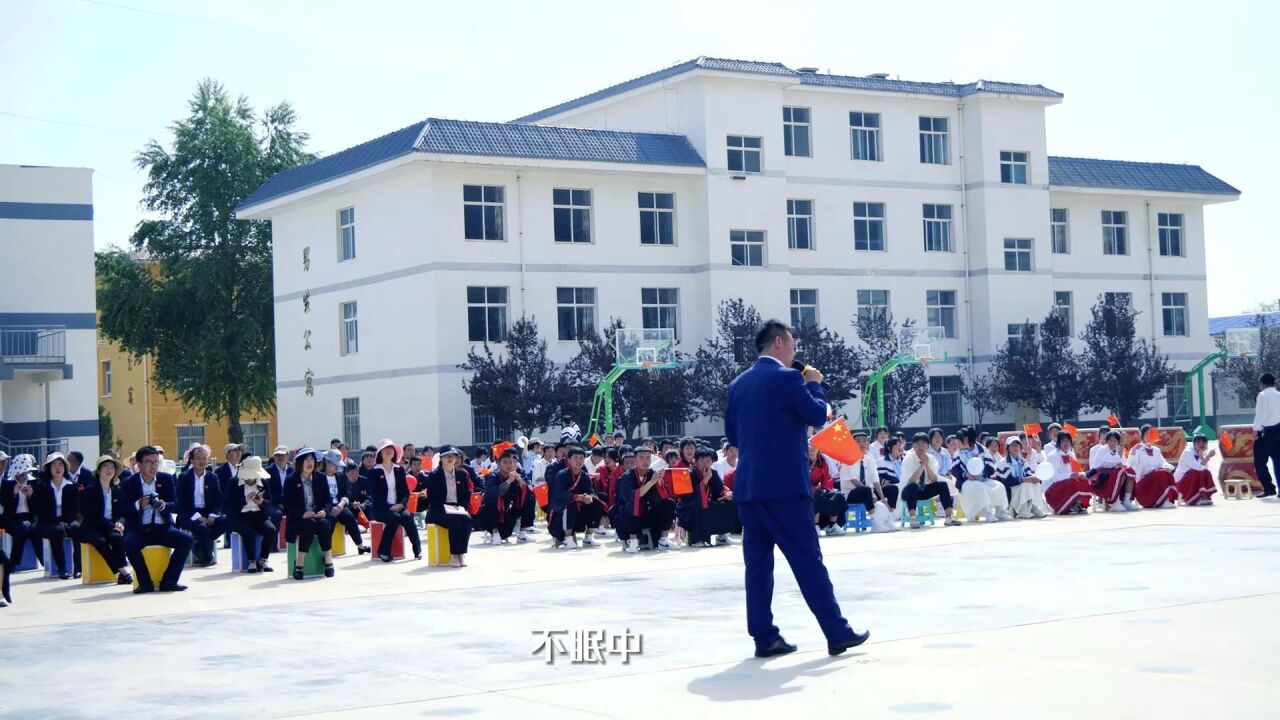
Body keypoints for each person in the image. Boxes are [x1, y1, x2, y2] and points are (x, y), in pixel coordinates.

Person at [725, 320, 867, 658]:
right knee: (807, 561)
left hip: (749, 489)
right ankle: (836, 631)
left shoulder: (738, 384)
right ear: (778, 343)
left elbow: (733, 435)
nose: (794, 352)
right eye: (792, 344)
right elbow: (818, 414)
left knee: (758, 568)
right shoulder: (788, 378)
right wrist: (815, 384)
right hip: (785, 489)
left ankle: (764, 637)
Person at [120, 446, 194, 593]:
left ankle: (169, 581)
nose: (153, 466)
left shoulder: (165, 479)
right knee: (129, 543)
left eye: (155, 462)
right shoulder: (129, 482)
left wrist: (162, 505)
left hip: (162, 527)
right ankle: (145, 582)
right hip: (140, 529)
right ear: (139, 465)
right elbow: (123, 509)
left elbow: (176, 504)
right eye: (148, 462)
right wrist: (138, 505)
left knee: (186, 540)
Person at [75, 454, 133, 584]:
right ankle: (122, 571)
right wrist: (113, 525)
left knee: (116, 537)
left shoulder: (117, 490)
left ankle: (122, 573)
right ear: (99, 470)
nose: (109, 470)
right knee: (101, 542)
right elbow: (91, 515)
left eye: (112, 467)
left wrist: (120, 523)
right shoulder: (90, 490)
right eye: (105, 467)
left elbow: (122, 512)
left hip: (110, 526)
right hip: (91, 527)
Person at [283, 448, 337, 579]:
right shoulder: (291, 480)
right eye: (306, 459)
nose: (310, 463)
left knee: (324, 524)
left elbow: (328, 500)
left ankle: (328, 562)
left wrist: (324, 510)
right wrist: (303, 513)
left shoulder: (321, 478)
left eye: (312, 459)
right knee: (309, 524)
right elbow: (287, 506)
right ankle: (299, 565)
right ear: (300, 462)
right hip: (298, 519)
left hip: (317, 516)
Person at [367, 438, 423, 561]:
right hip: (381, 508)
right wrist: (389, 507)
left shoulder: (399, 469)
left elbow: (405, 492)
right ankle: (383, 551)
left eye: (391, 448)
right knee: (395, 518)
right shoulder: (374, 472)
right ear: (380, 452)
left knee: (408, 517)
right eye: (385, 448)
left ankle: (417, 550)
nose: (389, 451)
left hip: (398, 506)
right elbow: (375, 495)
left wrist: (401, 505)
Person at [614, 445, 676, 553]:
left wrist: (659, 481)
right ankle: (632, 541)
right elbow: (632, 496)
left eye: (648, 457)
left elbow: (662, 496)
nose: (645, 461)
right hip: (629, 518)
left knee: (668, 503)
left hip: (647, 514)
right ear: (635, 460)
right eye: (641, 458)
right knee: (631, 503)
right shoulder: (627, 476)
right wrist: (652, 482)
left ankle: (663, 539)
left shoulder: (652, 473)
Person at [176, 444, 225, 566]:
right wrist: (199, 517)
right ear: (192, 460)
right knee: (201, 528)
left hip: (208, 512)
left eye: (204, 458)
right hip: (190, 513)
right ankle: (208, 557)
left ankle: (198, 545)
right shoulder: (184, 477)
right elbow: (182, 502)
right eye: (198, 458)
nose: (202, 461)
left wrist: (213, 515)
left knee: (226, 521)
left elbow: (218, 499)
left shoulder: (212, 477)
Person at [224, 455, 275, 573]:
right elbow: (227, 504)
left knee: (271, 530)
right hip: (240, 516)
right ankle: (251, 561)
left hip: (258, 514)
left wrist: (262, 502)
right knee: (248, 531)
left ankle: (263, 559)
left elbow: (269, 503)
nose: (251, 479)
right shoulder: (233, 482)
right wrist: (245, 500)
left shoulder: (264, 482)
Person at [425, 445, 474, 566]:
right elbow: (432, 499)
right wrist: (447, 509)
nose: (450, 459)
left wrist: (462, 508)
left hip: (457, 508)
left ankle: (461, 553)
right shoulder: (434, 476)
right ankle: (454, 555)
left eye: (453, 456)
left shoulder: (462, 474)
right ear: (441, 458)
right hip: (439, 510)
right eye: (447, 456)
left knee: (467, 520)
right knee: (455, 520)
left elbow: (466, 495)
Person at [900, 433, 962, 528]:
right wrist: (921, 466)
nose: (921, 447)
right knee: (912, 486)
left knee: (942, 485)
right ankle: (912, 518)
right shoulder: (908, 459)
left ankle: (949, 517)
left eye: (923, 444)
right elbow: (911, 481)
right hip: (907, 492)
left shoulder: (931, 458)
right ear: (913, 445)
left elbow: (933, 479)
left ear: (927, 446)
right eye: (918, 444)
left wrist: (927, 465)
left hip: (923, 490)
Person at [34, 452, 80, 578]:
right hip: (47, 522)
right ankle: (62, 568)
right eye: (54, 465)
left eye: (60, 464)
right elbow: (40, 511)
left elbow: (74, 510)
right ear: (49, 468)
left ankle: (78, 567)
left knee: (77, 529)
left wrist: (67, 521)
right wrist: (57, 522)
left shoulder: (71, 486)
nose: (58, 468)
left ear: (65, 467)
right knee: (57, 531)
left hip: (67, 520)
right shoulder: (43, 486)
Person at [679, 447, 737, 546]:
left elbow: (720, 488)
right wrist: (705, 481)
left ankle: (721, 536)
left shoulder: (712, 473)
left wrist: (727, 494)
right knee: (699, 506)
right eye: (702, 460)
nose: (706, 463)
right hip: (688, 509)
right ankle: (696, 539)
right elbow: (688, 499)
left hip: (706, 505)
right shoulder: (685, 474)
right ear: (695, 461)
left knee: (729, 503)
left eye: (709, 460)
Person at [547, 446, 603, 549]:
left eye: (581, 458)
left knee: (596, 503)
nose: (579, 461)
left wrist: (589, 497)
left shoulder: (584, 475)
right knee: (570, 506)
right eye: (575, 458)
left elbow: (590, 490)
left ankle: (589, 537)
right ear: (568, 460)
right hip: (560, 509)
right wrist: (577, 497)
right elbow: (560, 494)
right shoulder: (561, 474)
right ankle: (568, 539)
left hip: (580, 507)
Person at [320, 449, 369, 555]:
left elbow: (345, 495)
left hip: (339, 505)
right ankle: (326, 552)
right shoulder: (319, 477)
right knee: (330, 520)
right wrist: (329, 508)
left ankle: (360, 546)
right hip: (326, 507)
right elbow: (318, 497)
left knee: (350, 517)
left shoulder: (340, 477)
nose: (337, 467)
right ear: (327, 462)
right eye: (335, 464)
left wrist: (342, 504)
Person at [480, 447, 531, 545]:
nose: (509, 465)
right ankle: (495, 533)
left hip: (509, 512)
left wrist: (521, 482)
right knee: (490, 503)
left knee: (529, 498)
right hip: (493, 514)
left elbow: (529, 491)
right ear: (498, 464)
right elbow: (493, 495)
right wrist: (508, 481)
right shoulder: (492, 476)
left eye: (512, 462)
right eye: (505, 462)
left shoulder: (519, 474)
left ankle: (522, 533)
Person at [841, 430, 891, 528]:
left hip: (867, 491)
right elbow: (854, 481)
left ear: (868, 443)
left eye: (864, 441)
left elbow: (875, 480)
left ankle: (889, 519)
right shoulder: (848, 459)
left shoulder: (870, 459)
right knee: (866, 490)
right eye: (858, 441)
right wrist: (870, 493)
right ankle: (874, 522)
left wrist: (882, 498)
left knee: (892, 489)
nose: (862, 443)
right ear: (853, 444)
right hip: (850, 494)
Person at [1122, 425, 1178, 509]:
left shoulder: (1156, 450)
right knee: (1160, 473)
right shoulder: (1137, 449)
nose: (1149, 436)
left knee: (1166, 472)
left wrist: (1166, 467)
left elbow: (1162, 462)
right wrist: (1133, 452)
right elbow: (1131, 464)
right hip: (1143, 482)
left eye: (1152, 434)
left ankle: (1164, 500)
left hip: (1156, 477)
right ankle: (1159, 501)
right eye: (1147, 434)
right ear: (1142, 435)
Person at [1, 454, 39, 572]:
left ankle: (44, 561)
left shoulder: (34, 482)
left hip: (29, 516)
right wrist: (13, 494)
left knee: (35, 530)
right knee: (21, 531)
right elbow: (4, 503)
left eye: (25, 473)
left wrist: (31, 496)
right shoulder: (7, 483)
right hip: (12, 517)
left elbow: (39, 506)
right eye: (21, 473)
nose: (24, 476)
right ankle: (13, 563)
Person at [1043, 432, 1093, 515]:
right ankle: (1067, 506)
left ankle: (1078, 504)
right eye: (1063, 441)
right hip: (1052, 488)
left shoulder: (1071, 454)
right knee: (1072, 482)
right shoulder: (1052, 456)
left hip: (1068, 482)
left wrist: (1081, 474)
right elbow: (1054, 476)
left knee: (1083, 481)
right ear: (1058, 443)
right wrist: (1070, 476)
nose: (1066, 444)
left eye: (1068, 441)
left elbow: (1076, 470)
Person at [1089, 430, 1136, 511]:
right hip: (1098, 477)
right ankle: (1114, 501)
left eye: (1115, 441)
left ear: (1117, 442)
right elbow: (1116, 460)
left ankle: (1126, 501)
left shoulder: (1117, 449)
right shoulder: (1102, 449)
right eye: (1110, 441)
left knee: (1130, 471)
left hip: (1110, 474)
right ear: (1107, 441)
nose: (1112, 443)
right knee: (1119, 472)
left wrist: (1124, 465)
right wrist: (1122, 444)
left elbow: (1123, 462)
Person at [1001, 437, 1047, 518]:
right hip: (1011, 493)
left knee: (1035, 483)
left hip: (1021, 489)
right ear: (1008, 448)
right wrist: (1023, 479)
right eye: (1013, 446)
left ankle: (1035, 507)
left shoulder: (1022, 461)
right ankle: (1023, 510)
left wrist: (1034, 478)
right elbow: (1007, 481)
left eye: (1017, 446)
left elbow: (1028, 473)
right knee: (1026, 484)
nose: (1016, 448)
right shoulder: (1003, 462)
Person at [807, 445, 847, 536]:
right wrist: (817, 488)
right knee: (817, 494)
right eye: (810, 448)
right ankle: (815, 525)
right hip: (805, 489)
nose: (812, 450)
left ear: (818, 450)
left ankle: (832, 526)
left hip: (819, 489)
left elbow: (826, 479)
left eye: (814, 448)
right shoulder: (801, 461)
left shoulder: (822, 461)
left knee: (836, 495)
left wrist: (829, 489)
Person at [1252, 372, 1280, 498]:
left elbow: (1261, 414)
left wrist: (1255, 429)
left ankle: (1269, 488)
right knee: (1278, 461)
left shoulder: (1262, 395)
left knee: (1259, 462)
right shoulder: (1279, 395)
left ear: (1262, 384)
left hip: (1266, 431)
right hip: (1278, 430)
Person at [1174, 433, 1217, 506]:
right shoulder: (1187, 452)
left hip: (1192, 478)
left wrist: (1202, 456)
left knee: (1205, 472)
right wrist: (1208, 456)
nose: (1201, 445)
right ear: (1194, 443)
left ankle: (1204, 496)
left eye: (1204, 443)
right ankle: (1195, 498)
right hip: (1181, 481)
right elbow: (1198, 468)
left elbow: (1205, 469)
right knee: (1195, 472)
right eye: (1199, 443)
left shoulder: (1202, 452)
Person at [264, 445, 293, 528]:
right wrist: (280, 502)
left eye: (283, 455)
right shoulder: (267, 472)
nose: (280, 457)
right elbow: (267, 493)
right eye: (278, 455)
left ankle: (291, 539)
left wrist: (286, 502)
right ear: (274, 457)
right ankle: (274, 539)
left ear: (288, 456)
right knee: (277, 514)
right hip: (273, 505)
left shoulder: (293, 471)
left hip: (289, 504)